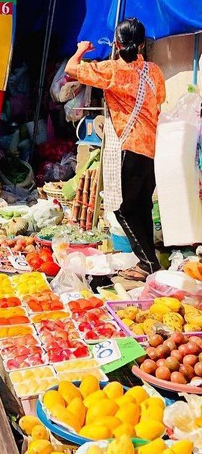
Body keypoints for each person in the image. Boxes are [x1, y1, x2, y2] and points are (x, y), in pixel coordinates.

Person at [65, 19, 166, 280]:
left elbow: (72, 69)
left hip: (129, 148)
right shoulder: (154, 71)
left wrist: (81, 49)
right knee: (141, 205)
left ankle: (148, 264)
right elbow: (160, 102)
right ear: (143, 44)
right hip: (153, 149)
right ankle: (149, 262)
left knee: (123, 209)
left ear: (117, 45)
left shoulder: (113, 71)